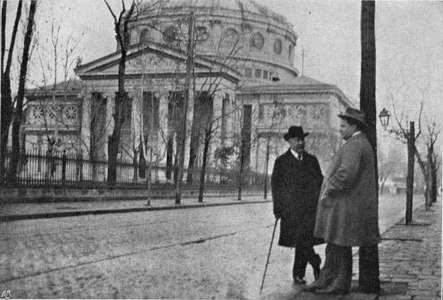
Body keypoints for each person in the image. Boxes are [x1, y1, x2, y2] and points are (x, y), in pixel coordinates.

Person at [305, 108, 380, 295]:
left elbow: (346, 174)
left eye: (343, 126)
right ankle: (326, 278)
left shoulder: (355, 145)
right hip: (346, 204)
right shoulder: (358, 143)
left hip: (346, 205)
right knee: (334, 242)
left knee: (340, 244)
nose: (340, 129)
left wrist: (329, 188)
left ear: (354, 126)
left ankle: (339, 284)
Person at [271, 126, 324, 285]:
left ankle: (299, 274)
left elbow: (320, 182)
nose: (301, 143)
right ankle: (314, 262)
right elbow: (276, 186)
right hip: (290, 210)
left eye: (302, 139)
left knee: (303, 240)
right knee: (300, 239)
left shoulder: (312, 160)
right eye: (297, 140)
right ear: (289, 141)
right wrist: (277, 209)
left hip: (309, 210)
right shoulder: (281, 162)